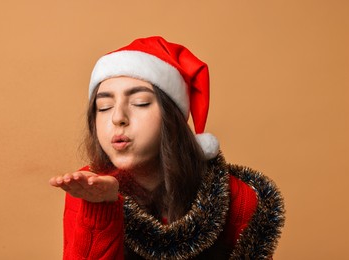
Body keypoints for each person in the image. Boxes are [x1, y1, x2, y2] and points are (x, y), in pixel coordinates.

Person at [49, 36, 285, 259]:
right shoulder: (88, 187)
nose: (117, 118)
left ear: (172, 117)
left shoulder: (235, 197)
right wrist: (100, 208)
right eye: (104, 107)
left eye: (139, 103)